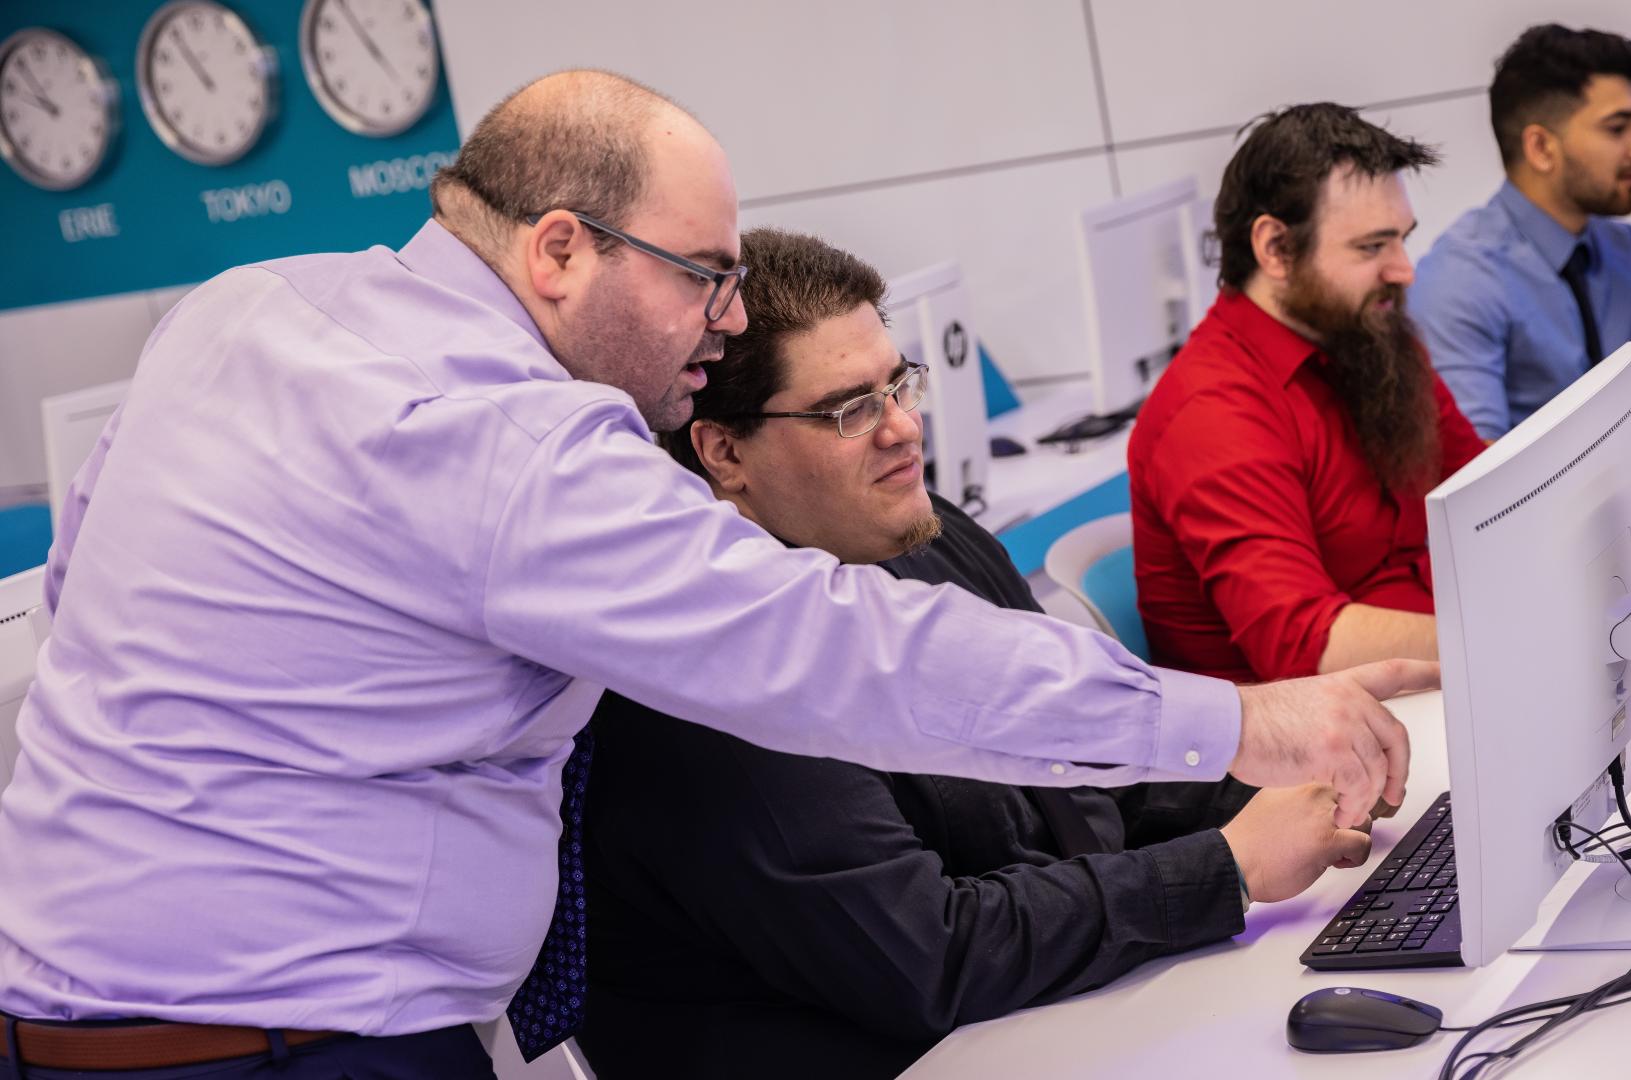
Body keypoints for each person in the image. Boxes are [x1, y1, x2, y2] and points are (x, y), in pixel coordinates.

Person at [0, 72, 1432, 1077]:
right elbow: (841, 656)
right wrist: (1241, 721)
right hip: (285, 1046)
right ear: (559, 250)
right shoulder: (515, 444)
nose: (727, 320)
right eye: (703, 275)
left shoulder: (249, 309)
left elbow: (80, 594)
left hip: (94, 1019)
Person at [576, 228, 1378, 1078]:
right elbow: (934, 955)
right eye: (850, 410)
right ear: (725, 453)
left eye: (899, 385)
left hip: (1043, 1021)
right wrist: (1227, 869)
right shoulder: (709, 680)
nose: (903, 429)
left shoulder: (923, 532)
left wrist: (1292, 778)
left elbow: (1096, 770)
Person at [1130, 104, 1486, 685]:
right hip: (1302, 750)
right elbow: (1306, 647)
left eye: (1402, 241)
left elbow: (1482, 489)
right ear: (1275, 248)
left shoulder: (1370, 336)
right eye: (1372, 248)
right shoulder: (1214, 408)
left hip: (1422, 691)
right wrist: (1511, 635)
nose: (1404, 270)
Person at [1409, 23, 1631, 438]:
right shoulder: (1458, 283)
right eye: (1618, 128)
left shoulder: (1621, 248)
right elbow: (1473, 485)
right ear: (1542, 149)